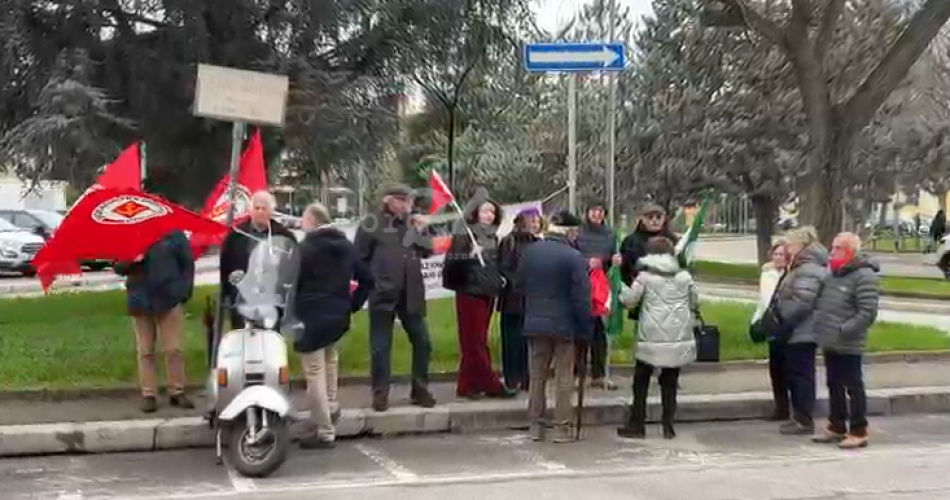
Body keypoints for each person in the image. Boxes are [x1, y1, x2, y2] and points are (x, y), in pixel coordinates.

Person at [293, 203, 373, 449]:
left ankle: (324, 430)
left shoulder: (305, 249)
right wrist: (352, 305)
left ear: (313, 221)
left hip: (311, 317)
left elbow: (291, 283)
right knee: (329, 360)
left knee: (314, 371)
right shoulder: (345, 246)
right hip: (338, 316)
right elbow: (367, 279)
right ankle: (332, 407)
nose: (301, 223)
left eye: (304, 219)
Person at [355, 184, 437, 412]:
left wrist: (423, 231)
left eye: (409, 201)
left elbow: (428, 250)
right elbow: (359, 258)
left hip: (411, 292)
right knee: (380, 345)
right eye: (402, 201)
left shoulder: (412, 224)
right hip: (383, 293)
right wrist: (373, 281)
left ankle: (420, 388)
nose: (406, 206)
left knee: (423, 341)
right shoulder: (371, 224)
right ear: (388, 201)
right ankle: (380, 393)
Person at [518, 210, 592, 443]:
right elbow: (581, 297)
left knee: (537, 376)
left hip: (535, 321)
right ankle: (562, 427)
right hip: (564, 324)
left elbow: (519, 285)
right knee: (563, 378)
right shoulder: (573, 257)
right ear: (570, 231)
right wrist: (586, 327)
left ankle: (535, 426)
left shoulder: (530, 252)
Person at [615, 236, 698, 440]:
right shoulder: (684, 277)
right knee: (670, 382)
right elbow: (694, 302)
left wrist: (617, 283)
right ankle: (668, 425)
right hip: (678, 335)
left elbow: (629, 300)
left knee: (641, 381)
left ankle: (638, 424)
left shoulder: (645, 277)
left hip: (650, 335)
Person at [114, 230, 196, 413]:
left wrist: (183, 292)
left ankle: (177, 391)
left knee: (173, 349)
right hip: (140, 299)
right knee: (145, 350)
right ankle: (149, 394)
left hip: (169, 298)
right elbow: (118, 266)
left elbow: (187, 265)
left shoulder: (174, 234)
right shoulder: (131, 231)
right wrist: (130, 260)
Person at [442, 194, 514, 399]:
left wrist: (500, 279)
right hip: (469, 292)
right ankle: (491, 383)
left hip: (487, 293)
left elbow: (494, 265)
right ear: (475, 214)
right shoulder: (465, 235)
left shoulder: (494, 238)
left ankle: (467, 385)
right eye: (485, 211)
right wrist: (469, 255)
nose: (489, 215)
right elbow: (452, 264)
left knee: (475, 341)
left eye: (492, 212)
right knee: (475, 342)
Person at [812, 232, 879, 449]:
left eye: (838, 248)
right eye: (832, 247)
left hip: (848, 341)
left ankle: (859, 430)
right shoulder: (833, 275)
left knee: (853, 385)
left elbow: (867, 312)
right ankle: (837, 425)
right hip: (830, 339)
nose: (833, 252)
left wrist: (844, 330)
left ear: (851, 252)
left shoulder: (864, 276)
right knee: (834, 384)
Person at [774, 226, 828, 435]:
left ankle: (804, 419)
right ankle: (798, 416)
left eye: (791, 244)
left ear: (802, 245)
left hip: (803, 329)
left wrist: (784, 316)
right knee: (795, 374)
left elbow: (803, 301)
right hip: (799, 329)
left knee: (802, 376)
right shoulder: (801, 266)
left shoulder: (809, 268)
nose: (788, 249)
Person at [219, 190, 296, 329]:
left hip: (272, 300)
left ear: (271, 211)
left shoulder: (285, 236)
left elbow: (293, 268)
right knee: (243, 340)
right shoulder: (236, 235)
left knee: (269, 341)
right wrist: (228, 294)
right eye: (257, 208)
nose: (260, 212)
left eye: (264, 208)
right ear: (250, 210)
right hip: (242, 298)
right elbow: (225, 266)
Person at [497, 208, 543, 391]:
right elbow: (504, 268)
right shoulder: (510, 242)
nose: (534, 224)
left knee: (529, 341)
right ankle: (512, 377)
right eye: (531, 221)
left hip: (532, 299)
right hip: (512, 299)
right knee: (511, 340)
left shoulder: (538, 243)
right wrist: (520, 283)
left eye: (537, 221)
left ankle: (527, 377)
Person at [575, 204, 620, 390]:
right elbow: (570, 254)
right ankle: (578, 374)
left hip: (602, 285)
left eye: (600, 211)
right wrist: (586, 262)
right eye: (593, 210)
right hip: (581, 284)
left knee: (599, 333)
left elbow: (612, 257)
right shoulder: (578, 233)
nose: (596, 214)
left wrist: (614, 261)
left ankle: (599, 374)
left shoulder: (610, 234)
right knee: (581, 333)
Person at [751, 240, 792, 421]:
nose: (777, 258)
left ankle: (793, 407)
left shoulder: (791, 276)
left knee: (788, 368)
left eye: (781, 255)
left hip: (786, 325)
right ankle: (780, 407)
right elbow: (762, 302)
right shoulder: (766, 275)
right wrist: (756, 321)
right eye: (775, 254)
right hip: (771, 324)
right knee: (775, 368)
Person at [619, 203, 679, 294]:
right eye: (650, 217)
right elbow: (624, 268)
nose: (654, 220)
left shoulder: (672, 239)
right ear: (642, 219)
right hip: (641, 289)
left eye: (658, 217)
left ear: (664, 219)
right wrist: (630, 286)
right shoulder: (631, 241)